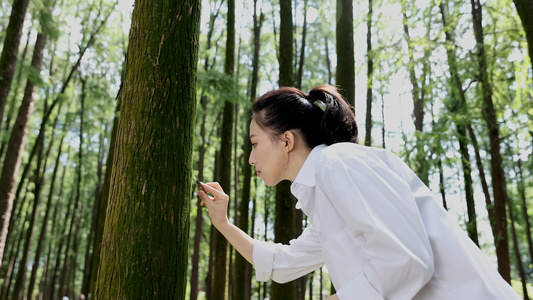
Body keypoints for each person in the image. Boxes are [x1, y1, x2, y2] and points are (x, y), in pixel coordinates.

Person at [197, 84, 521, 299]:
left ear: (286, 140)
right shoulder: (323, 192)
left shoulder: (340, 163)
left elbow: (406, 261)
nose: (251, 158)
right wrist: (223, 223)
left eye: (255, 144)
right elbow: (283, 264)